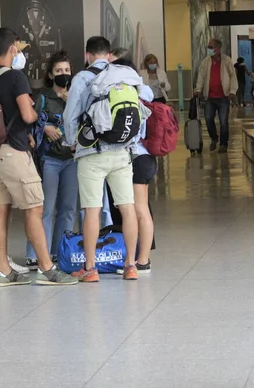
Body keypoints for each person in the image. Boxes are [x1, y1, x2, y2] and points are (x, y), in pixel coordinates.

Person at [0, 27, 77, 287]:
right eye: (18, 48)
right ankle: (47, 269)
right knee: (35, 207)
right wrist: (35, 115)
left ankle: (4, 271)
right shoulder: (15, 77)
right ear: (12, 48)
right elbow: (27, 115)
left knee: (0, 209)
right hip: (13, 151)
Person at [63, 36, 143, 282]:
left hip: (92, 154)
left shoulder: (82, 78)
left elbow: (70, 116)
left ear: (87, 55)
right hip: (122, 152)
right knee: (127, 208)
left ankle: (90, 268)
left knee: (92, 210)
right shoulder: (123, 74)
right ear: (109, 55)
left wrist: (71, 142)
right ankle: (130, 265)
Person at [25, 50, 78, 268]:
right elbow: (28, 122)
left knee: (68, 208)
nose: (63, 74)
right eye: (58, 71)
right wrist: (44, 127)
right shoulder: (42, 97)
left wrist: (72, 102)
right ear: (50, 74)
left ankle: (59, 252)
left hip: (71, 159)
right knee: (45, 208)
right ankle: (36, 253)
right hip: (50, 159)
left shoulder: (76, 96)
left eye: (66, 70)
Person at [110, 52, 156, 273]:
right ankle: (141, 259)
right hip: (146, 156)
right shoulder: (144, 90)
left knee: (138, 210)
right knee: (141, 209)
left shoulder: (127, 93)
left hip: (136, 157)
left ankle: (140, 261)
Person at [194, 39, 238, 153]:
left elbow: (233, 76)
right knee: (208, 119)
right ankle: (214, 138)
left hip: (224, 97)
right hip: (210, 97)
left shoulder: (227, 61)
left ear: (218, 48)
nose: (209, 49)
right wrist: (198, 89)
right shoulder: (205, 62)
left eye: (211, 47)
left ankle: (224, 144)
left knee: (223, 121)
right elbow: (201, 77)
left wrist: (233, 91)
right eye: (208, 47)